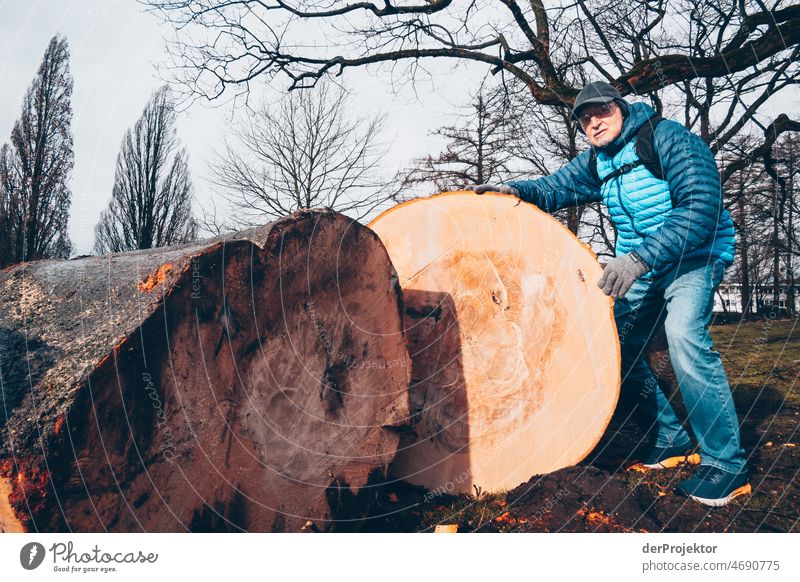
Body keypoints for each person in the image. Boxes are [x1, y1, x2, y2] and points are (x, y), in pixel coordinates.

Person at [472, 81, 750, 507]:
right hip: (642, 264)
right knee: (616, 349)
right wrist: (515, 190)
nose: (593, 122)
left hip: (695, 255)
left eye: (600, 111)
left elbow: (701, 206)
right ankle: (671, 439)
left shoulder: (667, 137)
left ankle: (726, 466)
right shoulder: (597, 160)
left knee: (683, 337)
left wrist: (638, 259)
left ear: (621, 108)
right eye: (584, 118)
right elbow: (556, 187)